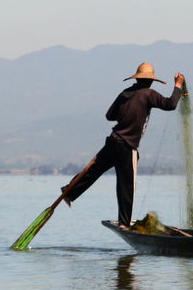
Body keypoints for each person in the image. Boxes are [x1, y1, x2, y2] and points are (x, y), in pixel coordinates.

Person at [64, 62, 186, 228]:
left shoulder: (125, 93)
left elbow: (110, 115)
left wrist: (126, 113)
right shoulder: (148, 94)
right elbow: (170, 104)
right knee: (126, 186)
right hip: (127, 146)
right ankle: (124, 223)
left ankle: (68, 192)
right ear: (150, 81)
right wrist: (178, 85)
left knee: (93, 171)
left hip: (113, 141)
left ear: (137, 79)